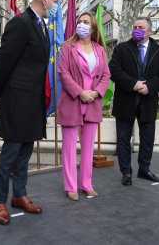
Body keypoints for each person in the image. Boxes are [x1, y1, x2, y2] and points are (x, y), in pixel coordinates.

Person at [0, 0, 57, 225]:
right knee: (10, 153)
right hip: (18, 99)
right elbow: (3, 61)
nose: (55, 5)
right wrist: (1, 93)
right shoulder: (20, 22)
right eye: (53, 0)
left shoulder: (41, 25)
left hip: (33, 100)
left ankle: (19, 195)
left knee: (25, 151)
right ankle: (0, 201)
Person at [109, 17, 159, 185]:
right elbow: (113, 70)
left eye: (141, 27)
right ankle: (126, 172)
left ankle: (144, 169)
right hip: (125, 101)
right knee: (123, 139)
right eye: (135, 26)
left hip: (148, 102)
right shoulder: (122, 49)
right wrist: (133, 84)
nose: (137, 29)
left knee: (147, 138)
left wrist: (149, 86)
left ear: (149, 31)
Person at [56, 12, 110, 201]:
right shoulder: (67, 48)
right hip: (73, 102)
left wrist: (96, 93)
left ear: (93, 27)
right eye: (79, 22)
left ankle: (86, 184)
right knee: (69, 147)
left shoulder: (100, 50)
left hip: (93, 103)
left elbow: (105, 75)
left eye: (86, 22)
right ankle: (71, 186)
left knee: (88, 147)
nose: (82, 25)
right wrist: (80, 92)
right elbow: (63, 73)